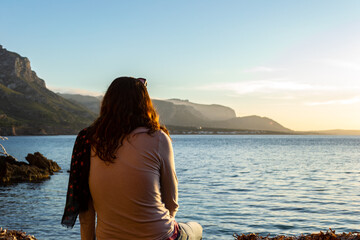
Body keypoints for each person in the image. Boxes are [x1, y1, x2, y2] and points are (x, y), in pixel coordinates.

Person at [62, 77, 203, 240]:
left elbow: (86, 211)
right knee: (196, 229)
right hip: (158, 235)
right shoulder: (158, 138)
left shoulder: (87, 140)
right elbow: (171, 203)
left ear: (107, 103)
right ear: (144, 103)